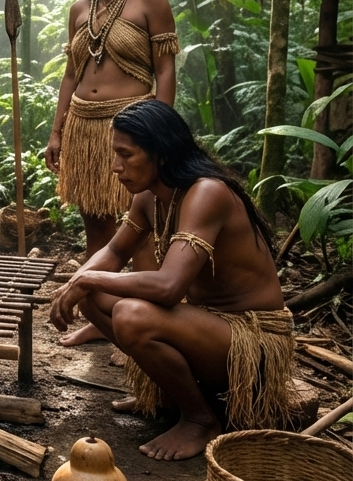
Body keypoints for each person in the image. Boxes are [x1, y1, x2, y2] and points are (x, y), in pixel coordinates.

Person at [49, 100, 297, 461]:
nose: (116, 167)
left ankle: (200, 420)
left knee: (131, 314)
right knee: (90, 295)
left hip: (252, 341)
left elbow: (169, 287)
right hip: (207, 329)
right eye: (114, 154)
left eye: (126, 154)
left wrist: (89, 279)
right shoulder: (149, 197)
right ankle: (168, 395)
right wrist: (78, 282)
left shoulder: (206, 193)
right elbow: (116, 252)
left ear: (160, 154)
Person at [45, 0, 178, 346]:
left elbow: (165, 69)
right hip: (84, 125)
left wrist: (159, 130)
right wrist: (57, 131)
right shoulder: (80, 10)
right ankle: (98, 315)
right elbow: (70, 74)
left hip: (132, 124)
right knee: (96, 225)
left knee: (138, 226)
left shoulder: (150, 1)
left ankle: (141, 320)